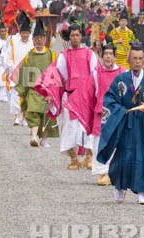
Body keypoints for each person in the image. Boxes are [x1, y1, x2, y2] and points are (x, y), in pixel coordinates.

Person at [97, 42, 144, 205]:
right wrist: (121, 111)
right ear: (128, 60)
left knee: (142, 158)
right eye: (134, 58)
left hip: (143, 125)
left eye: (140, 58)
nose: (137, 61)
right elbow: (110, 100)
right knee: (122, 157)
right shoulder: (120, 79)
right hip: (124, 124)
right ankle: (119, 189)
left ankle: (141, 193)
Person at [66, 41, 125, 186]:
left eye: (111, 54)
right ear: (101, 56)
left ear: (115, 57)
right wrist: (74, 103)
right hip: (101, 114)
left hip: (118, 113)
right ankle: (102, 173)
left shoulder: (123, 73)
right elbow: (86, 93)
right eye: (106, 54)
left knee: (118, 143)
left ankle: (114, 172)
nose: (108, 57)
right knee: (100, 144)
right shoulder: (95, 75)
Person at [56, 25, 98, 170]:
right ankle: (74, 158)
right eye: (72, 35)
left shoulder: (89, 54)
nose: (75, 38)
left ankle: (88, 157)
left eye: (77, 35)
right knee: (69, 127)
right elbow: (59, 76)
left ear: (81, 36)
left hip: (86, 97)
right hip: (70, 96)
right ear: (69, 37)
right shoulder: (64, 55)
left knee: (87, 127)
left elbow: (95, 74)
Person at [15, 19, 58, 147]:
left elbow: (56, 74)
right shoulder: (29, 56)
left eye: (41, 37)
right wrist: (22, 91)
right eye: (37, 37)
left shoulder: (52, 55)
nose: (39, 40)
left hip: (48, 92)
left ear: (45, 39)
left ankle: (44, 139)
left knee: (47, 116)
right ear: (33, 39)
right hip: (33, 90)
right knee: (33, 112)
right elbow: (23, 72)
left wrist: (54, 91)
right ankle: (34, 137)